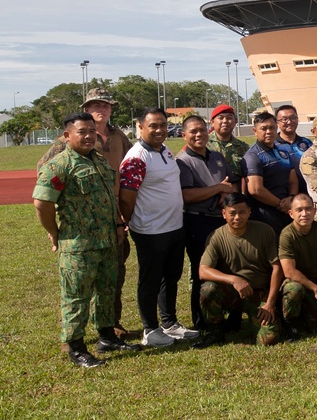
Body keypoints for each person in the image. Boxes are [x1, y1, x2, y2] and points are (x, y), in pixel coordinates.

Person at [34, 113, 139, 368]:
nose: (89, 136)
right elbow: (42, 203)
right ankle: (76, 347)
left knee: (106, 291)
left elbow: (109, 198)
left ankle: (107, 336)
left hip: (107, 240)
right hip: (78, 245)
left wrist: (117, 224)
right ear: (67, 136)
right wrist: (55, 232)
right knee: (76, 297)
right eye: (82, 132)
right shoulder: (59, 165)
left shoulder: (99, 161)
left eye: (92, 131)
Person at [119, 107, 198, 348]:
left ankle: (169, 323)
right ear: (140, 127)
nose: (159, 130)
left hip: (174, 226)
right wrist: (131, 222)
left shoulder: (164, 151)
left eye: (163, 125)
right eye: (153, 125)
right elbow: (126, 197)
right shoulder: (136, 157)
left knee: (170, 277)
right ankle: (150, 329)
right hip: (150, 230)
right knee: (150, 280)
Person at [194, 194, 283, 348]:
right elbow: (203, 271)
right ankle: (216, 331)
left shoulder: (264, 231)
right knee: (208, 289)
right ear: (224, 214)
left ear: (249, 211)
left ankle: (252, 320)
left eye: (242, 212)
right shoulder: (216, 236)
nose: (237, 217)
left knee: (268, 339)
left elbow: (277, 267)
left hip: (258, 293)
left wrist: (270, 303)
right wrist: (234, 280)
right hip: (231, 293)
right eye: (232, 213)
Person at [176, 114, 236, 331]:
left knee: (226, 266)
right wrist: (218, 188)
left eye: (202, 130)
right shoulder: (182, 161)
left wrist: (225, 194)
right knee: (202, 271)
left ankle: (226, 316)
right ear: (184, 135)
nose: (199, 134)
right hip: (197, 222)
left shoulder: (217, 157)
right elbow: (187, 195)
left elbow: (231, 186)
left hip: (221, 221)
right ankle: (202, 320)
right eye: (193, 131)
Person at [278, 194, 317, 338]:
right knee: (293, 290)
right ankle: (291, 324)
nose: (305, 214)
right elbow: (289, 271)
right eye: (299, 210)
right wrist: (316, 289)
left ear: (315, 210)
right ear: (291, 213)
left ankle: (306, 315)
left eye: (308, 209)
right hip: (297, 283)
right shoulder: (286, 235)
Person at [242, 111, 301, 236]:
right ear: (254, 130)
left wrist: (291, 198)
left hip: (287, 209)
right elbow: (255, 189)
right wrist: (281, 204)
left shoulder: (283, 151)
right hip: (266, 213)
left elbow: (293, 180)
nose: (268, 131)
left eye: (272, 127)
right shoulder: (252, 156)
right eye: (263, 128)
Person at [206, 103, 250, 190]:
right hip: (209, 192)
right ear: (212, 122)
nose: (225, 121)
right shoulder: (202, 144)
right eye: (221, 118)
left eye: (229, 118)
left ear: (235, 121)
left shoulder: (243, 148)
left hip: (235, 194)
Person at [274, 104, 312, 188]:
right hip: (284, 195)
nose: (289, 122)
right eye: (284, 119)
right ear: (277, 123)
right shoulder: (273, 145)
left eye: (293, 118)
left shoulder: (307, 143)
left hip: (308, 193)